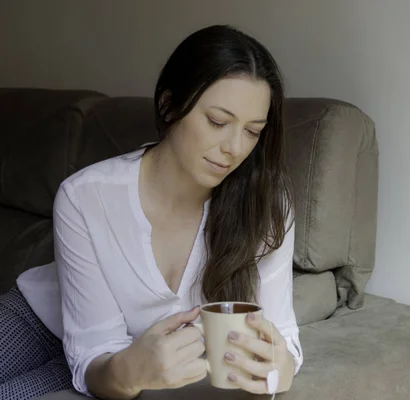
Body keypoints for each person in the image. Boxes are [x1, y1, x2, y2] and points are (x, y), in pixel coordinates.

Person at [0, 25, 303, 400]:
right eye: (217, 122)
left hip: (113, 358)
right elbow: (92, 342)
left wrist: (280, 368)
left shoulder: (267, 207)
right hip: (39, 321)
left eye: (253, 131)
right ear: (169, 105)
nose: (235, 148)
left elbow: (283, 338)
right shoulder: (86, 196)